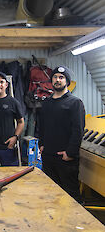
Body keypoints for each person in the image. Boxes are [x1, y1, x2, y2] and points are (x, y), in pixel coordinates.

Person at [38, 66, 85, 203]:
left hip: (65, 159)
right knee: (51, 194)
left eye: (61, 77)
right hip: (48, 156)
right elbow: (42, 126)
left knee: (70, 196)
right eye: (55, 77)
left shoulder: (75, 103)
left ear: (67, 81)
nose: (57, 80)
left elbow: (78, 130)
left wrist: (70, 153)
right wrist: (41, 144)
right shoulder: (46, 103)